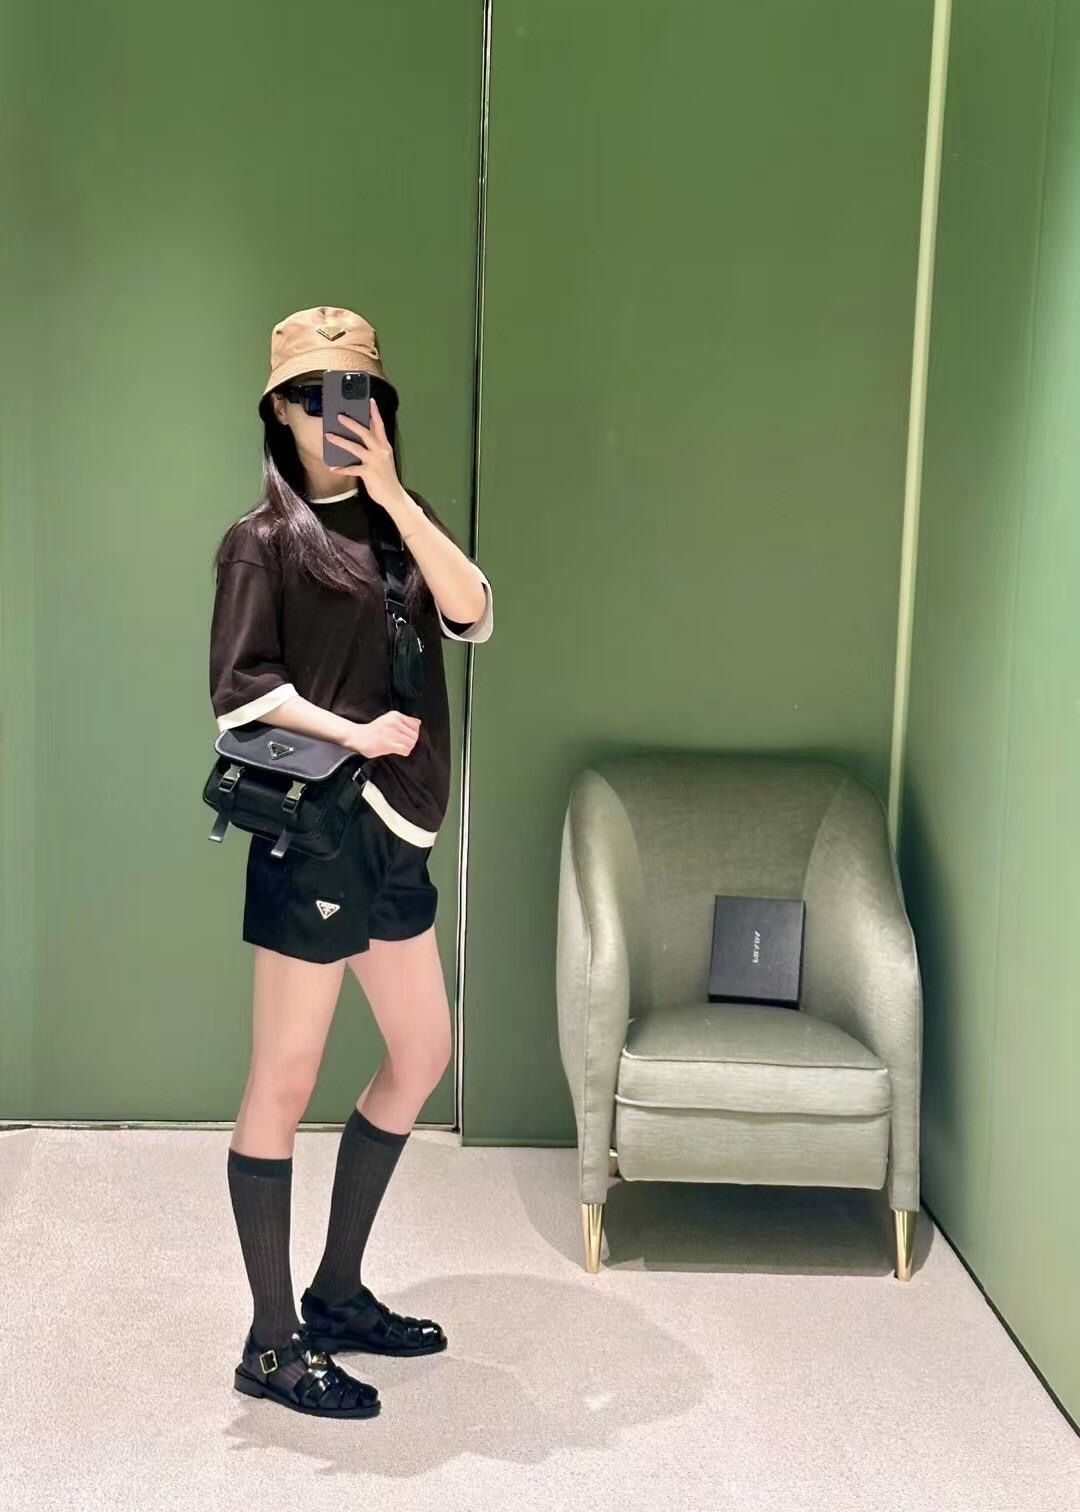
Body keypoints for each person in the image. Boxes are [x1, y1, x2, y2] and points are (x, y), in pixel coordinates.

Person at [209, 305, 494, 1418]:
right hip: (316, 833)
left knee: (421, 1052)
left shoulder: (400, 523)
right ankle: (271, 1342)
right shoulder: (262, 540)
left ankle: (334, 1294)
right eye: (318, 395)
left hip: (401, 837)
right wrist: (356, 734)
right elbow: (240, 693)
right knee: (284, 1079)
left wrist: (394, 499)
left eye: (360, 392)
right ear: (280, 411)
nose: (342, 413)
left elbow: (472, 612)